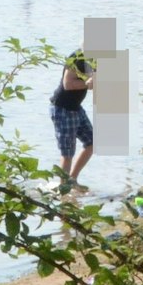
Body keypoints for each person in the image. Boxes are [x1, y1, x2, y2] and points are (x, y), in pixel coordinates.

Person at [50, 50, 95, 192]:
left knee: (93, 142)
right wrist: (88, 83)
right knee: (67, 153)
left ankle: (72, 180)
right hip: (62, 109)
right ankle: (63, 191)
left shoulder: (96, 59)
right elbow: (68, 84)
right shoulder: (76, 58)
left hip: (76, 108)